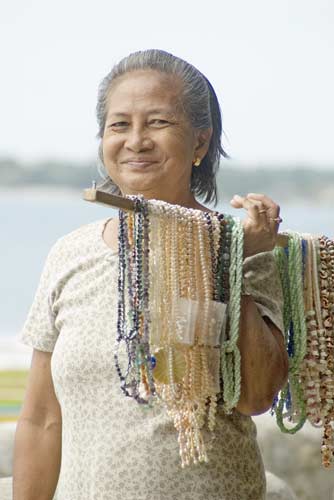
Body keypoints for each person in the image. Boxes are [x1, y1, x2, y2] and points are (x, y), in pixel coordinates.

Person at [13, 49, 288, 500]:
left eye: (158, 123)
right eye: (120, 125)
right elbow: (42, 418)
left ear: (200, 143)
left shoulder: (245, 250)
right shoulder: (70, 254)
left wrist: (225, 266)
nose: (136, 140)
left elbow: (254, 395)